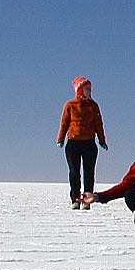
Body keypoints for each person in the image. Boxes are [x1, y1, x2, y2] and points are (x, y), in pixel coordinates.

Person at [57, 76, 106, 209]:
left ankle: (87, 199)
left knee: (89, 172)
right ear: (79, 90)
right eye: (86, 89)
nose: (89, 91)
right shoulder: (70, 105)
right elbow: (64, 123)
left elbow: (98, 124)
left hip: (89, 143)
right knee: (74, 172)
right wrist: (60, 139)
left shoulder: (93, 106)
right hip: (73, 143)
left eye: (90, 88)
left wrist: (102, 141)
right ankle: (75, 199)